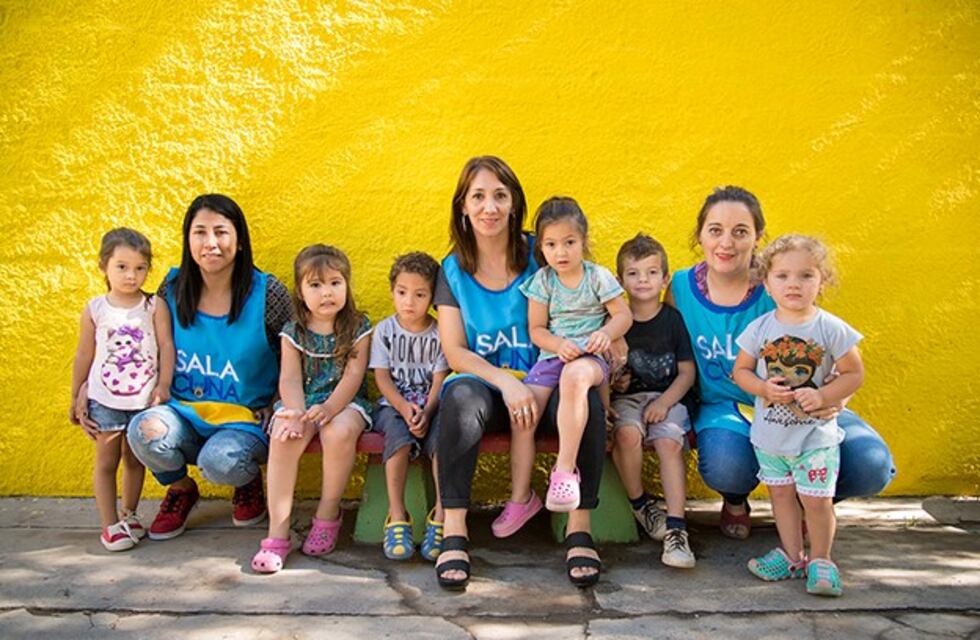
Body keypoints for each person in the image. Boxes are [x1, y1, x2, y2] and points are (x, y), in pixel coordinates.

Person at [666, 186, 895, 539]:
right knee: (728, 465)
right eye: (715, 230)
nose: (726, 242)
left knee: (871, 464)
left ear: (757, 237)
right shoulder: (680, 287)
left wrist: (833, 399)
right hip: (727, 406)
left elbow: (832, 354)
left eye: (740, 231)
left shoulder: (781, 281)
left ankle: (813, 502)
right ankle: (735, 499)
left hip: (804, 405)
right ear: (700, 236)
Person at [434, 156, 608, 590]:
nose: (489, 206)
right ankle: (454, 531)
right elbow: (455, 351)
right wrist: (506, 382)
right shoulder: (451, 268)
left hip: (546, 381)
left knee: (583, 399)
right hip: (489, 386)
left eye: (500, 195)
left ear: (515, 205)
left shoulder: (542, 253)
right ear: (463, 207)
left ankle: (579, 528)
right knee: (458, 400)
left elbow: (590, 296)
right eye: (478, 196)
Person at [127, 194, 292, 541]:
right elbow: (147, 344)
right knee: (141, 431)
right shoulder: (171, 288)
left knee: (220, 461)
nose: (211, 243)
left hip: (243, 420)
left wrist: (279, 399)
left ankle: (246, 481)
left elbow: (294, 353)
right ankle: (181, 489)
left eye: (221, 232)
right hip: (182, 412)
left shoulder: (267, 292)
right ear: (188, 240)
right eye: (200, 232)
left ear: (240, 240)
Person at [733, 234, 862, 597]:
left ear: (822, 281)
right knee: (782, 498)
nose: (794, 284)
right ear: (767, 284)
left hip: (814, 438)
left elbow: (854, 373)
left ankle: (821, 560)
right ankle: (792, 555)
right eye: (783, 276)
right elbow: (740, 371)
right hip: (771, 439)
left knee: (817, 501)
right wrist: (762, 388)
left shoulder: (830, 328)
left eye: (806, 275)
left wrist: (823, 394)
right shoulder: (760, 328)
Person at [251, 245, 372, 573]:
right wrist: (295, 412)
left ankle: (327, 513)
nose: (327, 293)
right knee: (284, 434)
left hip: (345, 402)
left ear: (347, 285)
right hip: (302, 400)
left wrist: (331, 407)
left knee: (339, 431)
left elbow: (354, 375)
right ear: (300, 292)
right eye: (315, 285)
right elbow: (289, 378)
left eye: (335, 283)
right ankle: (278, 532)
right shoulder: (293, 332)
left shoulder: (358, 327)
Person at [517, 197, 631, 513]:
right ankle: (520, 497)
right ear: (541, 247)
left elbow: (624, 315)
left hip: (589, 358)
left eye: (569, 242)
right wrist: (556, 345)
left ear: (583, 241)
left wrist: (606, 334)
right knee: (524, 416)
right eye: (551, 244)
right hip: (552, 357)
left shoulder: (597, 277)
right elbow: (536, 329)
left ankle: (564, 471)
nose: (561, 252)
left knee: (575, 375)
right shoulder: (542, 281)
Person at [70, 228, 174, 551]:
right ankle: (109, 524)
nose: (132, 276)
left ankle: (129, 514)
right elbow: (84, 354)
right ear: (104, 266)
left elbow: (167, 346)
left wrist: (164, 384)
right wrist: (76, 396)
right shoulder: (96, 309)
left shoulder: (154, 306)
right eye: (122, 267)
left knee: (134, 460)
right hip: (105, 401)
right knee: (106, 461)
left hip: (143, 400)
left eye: (140, 268)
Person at [608, 233, 697, 568]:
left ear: (665, 278)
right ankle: (641, 504)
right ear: (619, 280)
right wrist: (617, 383)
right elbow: (609, 372)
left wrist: (665, 402)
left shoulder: (672, 320)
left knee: (669, 442)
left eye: (651, 272)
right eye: (633, 273)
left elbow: (686, 372)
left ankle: (676, 528)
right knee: (627, 435)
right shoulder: (616, 322)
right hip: (627, 400)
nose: (642, 280)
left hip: (668, 396)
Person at [369, 252, 450, 562]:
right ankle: (397, 514)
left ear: (431, 298)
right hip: (393, 406)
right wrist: (404, 408)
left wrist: (427, 412)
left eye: (419, 294)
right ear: (392, 291)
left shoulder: (441, 331)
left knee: (443, 442)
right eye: (401, 292)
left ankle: (441, 515)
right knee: (399, 442)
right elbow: (382, 378)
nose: (409, 302)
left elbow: (441, 379)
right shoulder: (385, 331)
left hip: (432, 404)